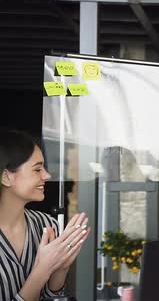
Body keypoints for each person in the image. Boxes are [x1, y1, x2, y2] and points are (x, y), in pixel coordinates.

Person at [0, 129, 91, 301]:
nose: (47, 175)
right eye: (37, 169)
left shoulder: (47, 225)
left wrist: (61, 268)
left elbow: (52, 297)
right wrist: (42, 270)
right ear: (6, 177)